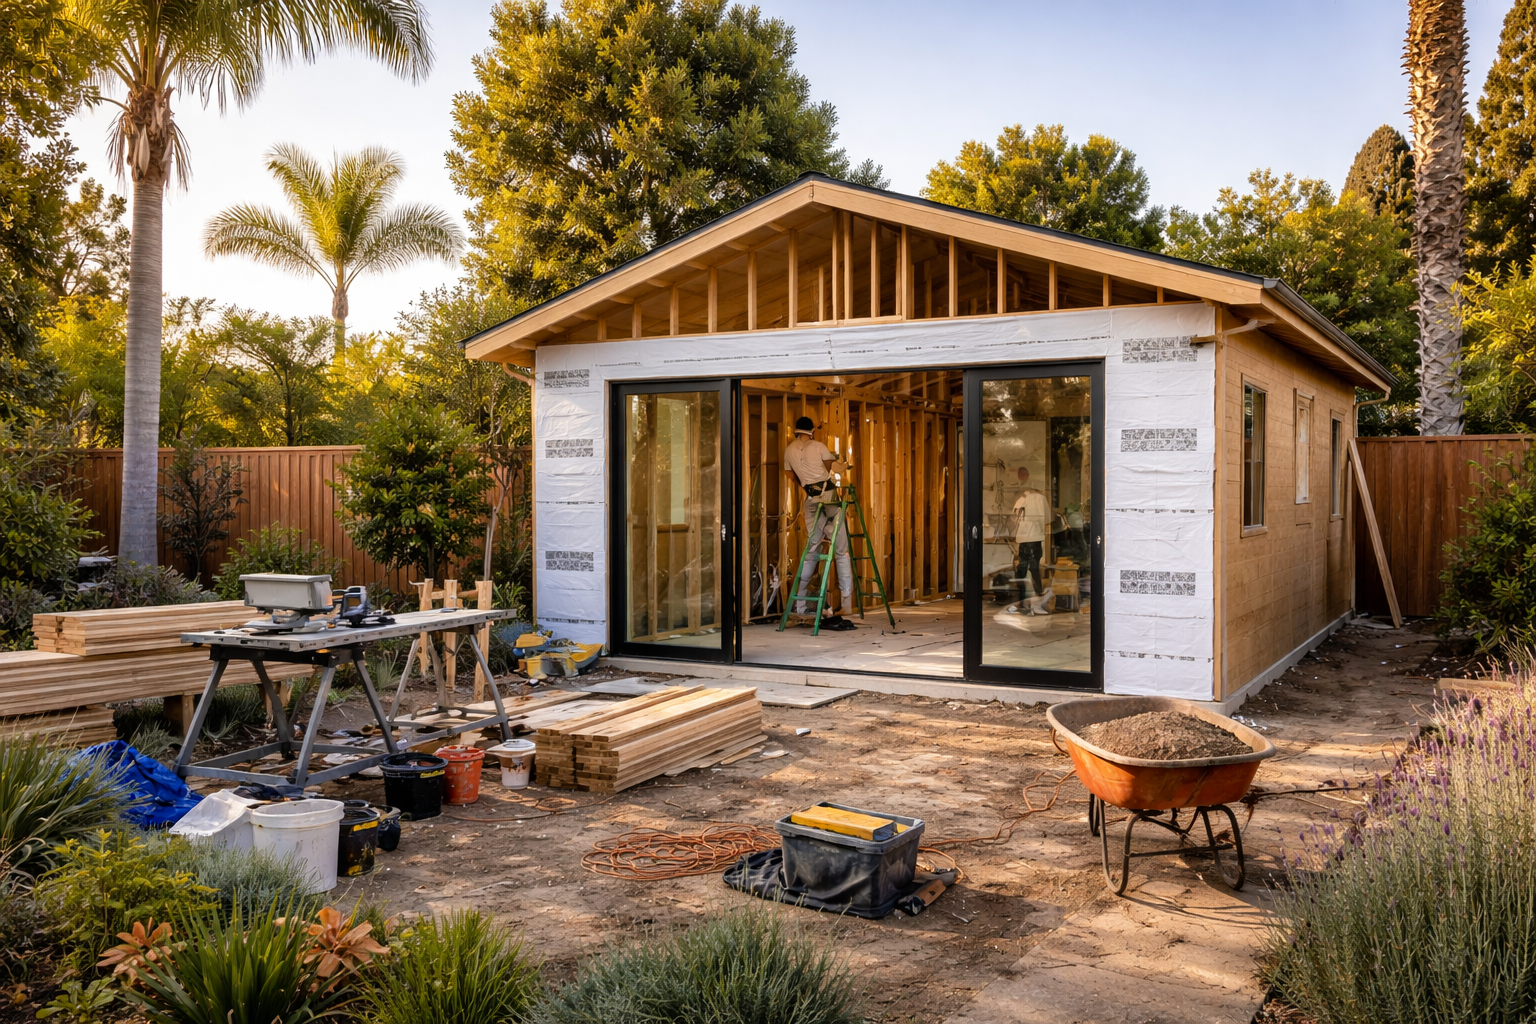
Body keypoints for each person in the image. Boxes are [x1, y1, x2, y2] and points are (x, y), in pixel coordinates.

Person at [783, 416, 856, 630]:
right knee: (841, 550)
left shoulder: (789, 450)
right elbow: (837, 469)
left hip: (811, 500)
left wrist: (806, 485)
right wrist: (844, 464)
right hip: (829, 496)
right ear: (812, 430)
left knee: (811, 553)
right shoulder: (818, 446)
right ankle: (846, 604)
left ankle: (800, 606)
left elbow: (789, 473)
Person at [1012, 466, 1053, 615]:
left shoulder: (1022, 499)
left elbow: (1014, 519)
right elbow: (1048, 519)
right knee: (1035, 569)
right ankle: (1038, 601)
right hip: (1036, 538)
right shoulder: (1042, 498)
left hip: (1023, 539)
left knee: (1021, 571)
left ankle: (1021, 602)